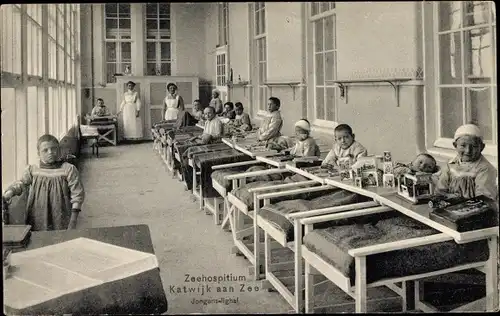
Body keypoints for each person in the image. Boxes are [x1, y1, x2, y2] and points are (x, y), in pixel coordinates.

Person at [2, 134, 85, 231]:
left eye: (53, 149)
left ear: (59, 149)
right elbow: (21, 184)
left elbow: (77, 195)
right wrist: (9, 193)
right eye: (45, 150)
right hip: (37, 215)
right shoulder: (32, 169)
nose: (50, 152)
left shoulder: (68, 169)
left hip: (61, 215)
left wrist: (73, 220)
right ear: (38, 153)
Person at [434, 124, 498, 200]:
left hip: (473, 208)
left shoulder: (485, 169)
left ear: (482, 147)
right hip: (450, 205)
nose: (468, 151)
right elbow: (440, 191)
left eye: (474, 146)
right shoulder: (450, 165)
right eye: (463, 145)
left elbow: (484, 199)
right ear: (455, 145)